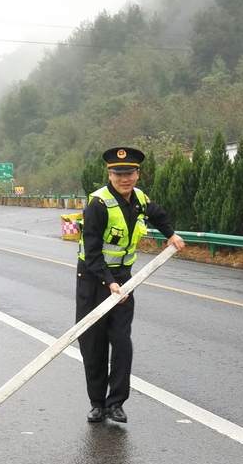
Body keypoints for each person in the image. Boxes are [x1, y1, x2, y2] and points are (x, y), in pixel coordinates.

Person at [76, 147, 185, 423]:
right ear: (109, 174)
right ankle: (97, 403)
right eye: (118, 173)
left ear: (137, 174)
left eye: (130, 173)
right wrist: (110, 283)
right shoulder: (98, 205)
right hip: (94, 280)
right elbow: (92, 253)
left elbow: (158, 214)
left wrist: (171, 235)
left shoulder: (139, 199)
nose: (125, 179)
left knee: (122, 341)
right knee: (94, 343)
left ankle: (116, 404)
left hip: (124, 278)